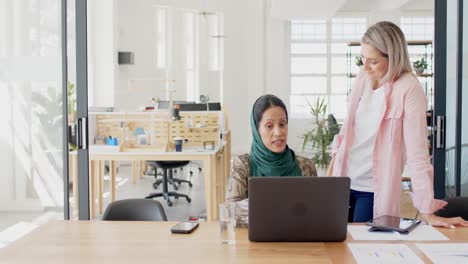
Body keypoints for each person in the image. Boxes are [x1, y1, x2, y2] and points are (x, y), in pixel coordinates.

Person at [327, 21, 468, 228]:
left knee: (364, 251)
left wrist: (427, 210)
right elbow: (345, 134)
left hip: (372, 190)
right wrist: (329, 179)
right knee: (333, 246)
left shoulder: (409, 89)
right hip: (341, 183)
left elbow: (418, 154)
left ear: (393, 58)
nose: (365, 67)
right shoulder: (362, 80)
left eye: (373, 61)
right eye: (363, 59)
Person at [225, 94, 317, 225]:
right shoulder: (243, 165)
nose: (278, 132)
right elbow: (230, 212)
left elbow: (314, 213)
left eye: (282, 124)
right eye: (269, 126)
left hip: (297, 239)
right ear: (257, 130)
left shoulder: (306, 166)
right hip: (255, 242)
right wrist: (276, 202)